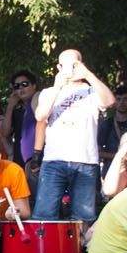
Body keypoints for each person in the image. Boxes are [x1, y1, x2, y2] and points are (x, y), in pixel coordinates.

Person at [31, 50, 113, 223]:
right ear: (59, 67)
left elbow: (109, 101)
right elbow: (40, 116)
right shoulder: (48, 92)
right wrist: (58, 85)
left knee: (83, 218)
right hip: (54, 161)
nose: (71, 70)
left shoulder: (92, 90)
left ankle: (81, 250)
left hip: (86, 161)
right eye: (66, 65)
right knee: (44, 215)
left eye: (75, 64)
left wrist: (88, 74)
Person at [97, 82, 127, 167]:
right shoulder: (106, 124)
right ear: (114, 102)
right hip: (111, 167)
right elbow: (98, 151)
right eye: (118, 99)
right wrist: (118, 156)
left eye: (125, 99)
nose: (122, 102)